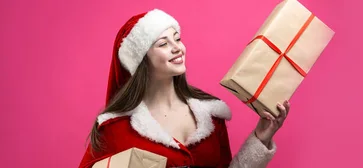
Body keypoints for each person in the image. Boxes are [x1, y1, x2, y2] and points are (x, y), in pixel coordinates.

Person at [78, 9, 291, 168]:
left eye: (177, 39)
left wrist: (261, 137)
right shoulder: (115, 129)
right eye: (163, 44)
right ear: (141, 60)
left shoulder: (211, 115)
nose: (177, 47)